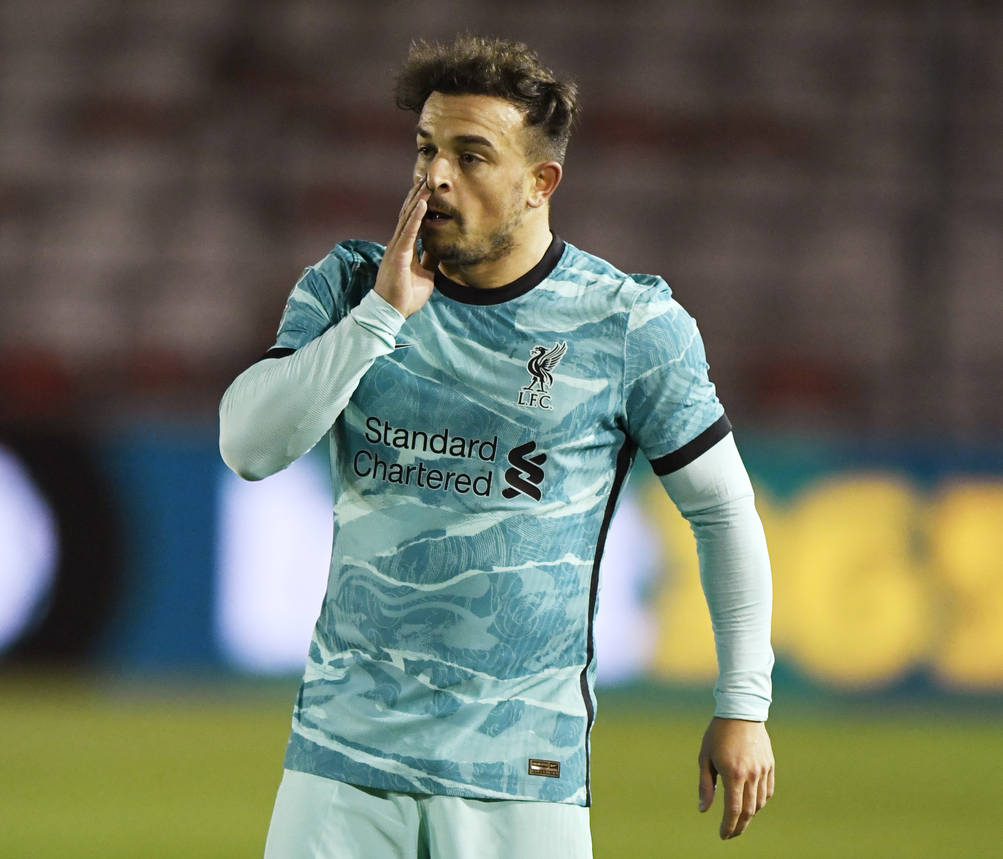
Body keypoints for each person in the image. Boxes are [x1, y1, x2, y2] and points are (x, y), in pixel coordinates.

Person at [220, 35, 775, 859]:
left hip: (521, 770)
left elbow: (723, 511)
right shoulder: (349, 288)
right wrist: (380, 317)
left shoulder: (626, 324)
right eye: (426, 149)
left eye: (471, 156)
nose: (435, 177)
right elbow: (248, 446)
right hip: (340, 763)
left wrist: (744, 704)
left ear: (540, 181)